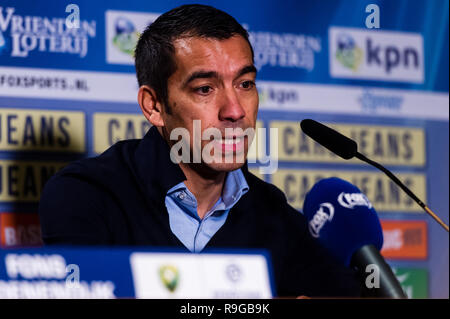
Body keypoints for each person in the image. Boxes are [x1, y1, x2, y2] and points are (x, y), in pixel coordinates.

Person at [39, 4, 361, 298]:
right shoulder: (85, 195)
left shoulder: (275, 216)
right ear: (154, 106)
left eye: (245, 84)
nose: (235, 111)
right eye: (205, 89)